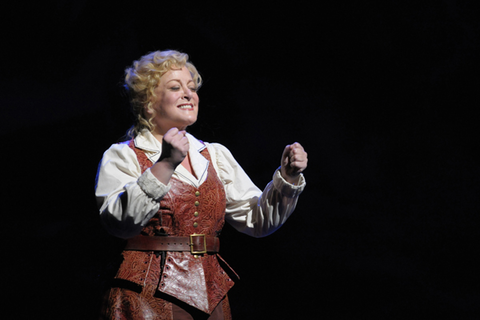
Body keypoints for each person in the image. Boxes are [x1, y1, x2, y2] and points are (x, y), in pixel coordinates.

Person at [95, 49, 308, 320]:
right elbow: (119, 223)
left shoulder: (214, 155)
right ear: (149, 102)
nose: (188, 94)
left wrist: (287, 178)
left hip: (211, 293)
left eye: (192, 88)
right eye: (175, 87)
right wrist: (164, 165)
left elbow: (258, 220)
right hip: (146, 294)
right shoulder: (124, 155)